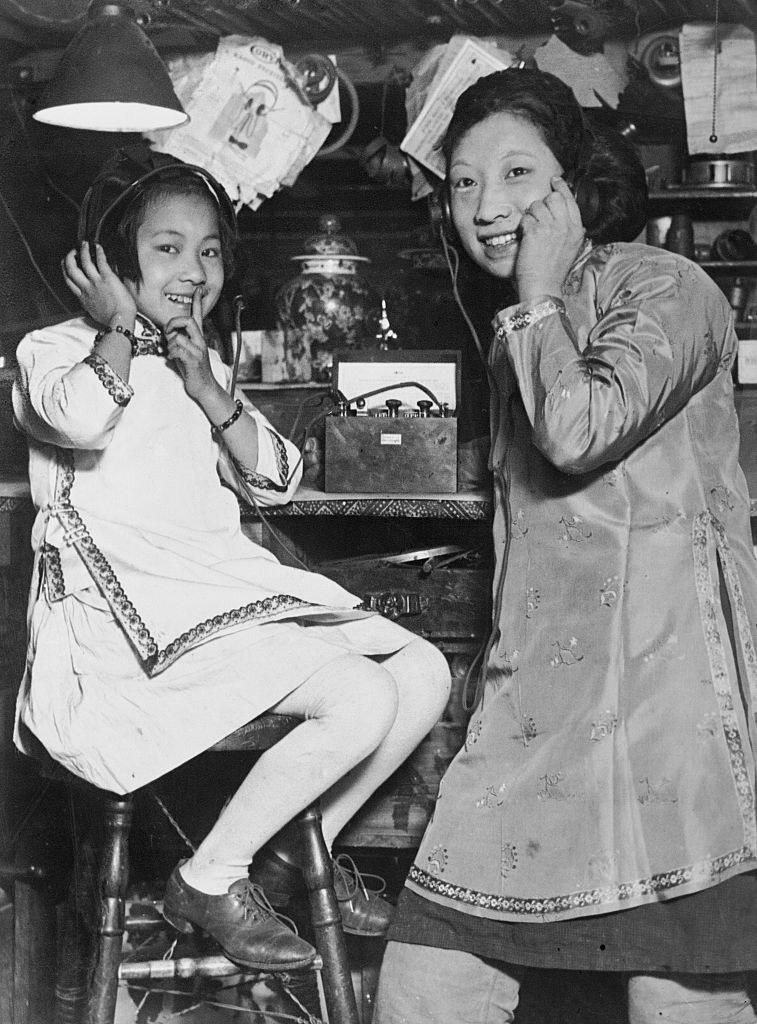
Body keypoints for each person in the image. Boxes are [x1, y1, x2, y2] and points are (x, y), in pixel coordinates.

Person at [374, 67, 757, 1024]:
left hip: (669, 721)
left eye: (515, 175)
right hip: (536, 711)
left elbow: (580, 430)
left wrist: (537, 297)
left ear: (575, 185)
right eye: (463, 182)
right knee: (423, 983)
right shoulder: (520, 327)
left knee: (678, 995)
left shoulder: (666, 285)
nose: (486, 206)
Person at [12, 153, 451, 973]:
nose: (194, 271)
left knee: (422, 670)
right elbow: (78, 422)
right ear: (110, 261)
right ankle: (211, 875)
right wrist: (113, 327)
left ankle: (280, 859)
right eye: (167, 249)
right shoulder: (54, 349)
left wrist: (209, 388)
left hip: (210, 596)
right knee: (360, 692)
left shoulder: (194, 359)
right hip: (123, 627)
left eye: (209, 251)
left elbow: (276, 479)